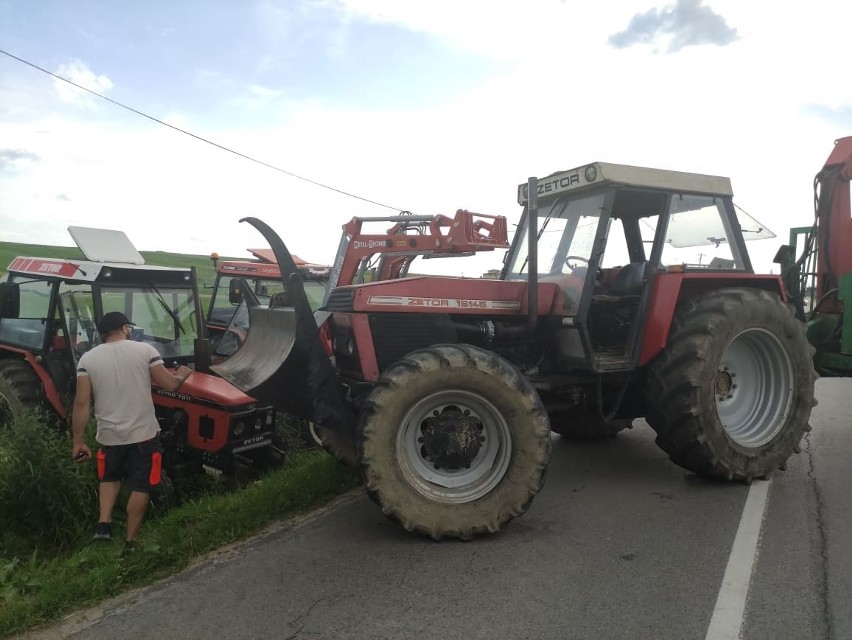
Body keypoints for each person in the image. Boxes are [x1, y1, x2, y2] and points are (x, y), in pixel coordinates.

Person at [71, 311, 193, 546]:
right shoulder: (145, 351)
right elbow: (168, 384)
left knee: (109, 478)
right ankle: (131, 540)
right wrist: (181, 375)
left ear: (102, 333)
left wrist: (78, 441)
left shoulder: (87, 359)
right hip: (144, 434)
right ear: (125, 328)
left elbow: (82, 403)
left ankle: (104, 526)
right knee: (141, 485)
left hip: (109, 435)